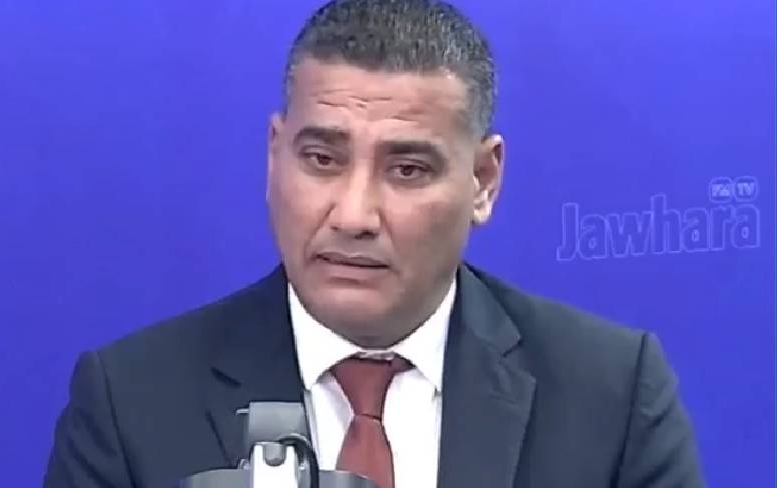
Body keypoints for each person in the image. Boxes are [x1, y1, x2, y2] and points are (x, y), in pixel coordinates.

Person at [43, 1, 705, 487]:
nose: (354, 215)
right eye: (322, 160)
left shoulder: (611, 394)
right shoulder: (130, 402)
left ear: (483, 181)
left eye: (407, 169)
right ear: (274, 157)